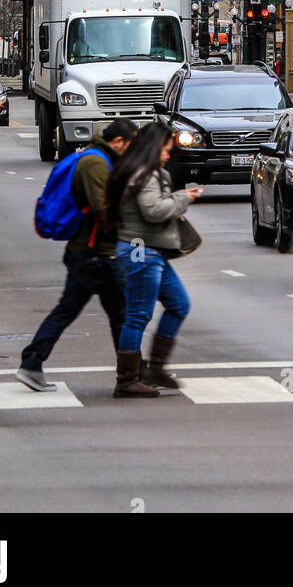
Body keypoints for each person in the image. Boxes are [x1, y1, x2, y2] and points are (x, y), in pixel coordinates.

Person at [16, 119, 138, 392]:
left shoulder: (98, 159)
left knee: (77, 310)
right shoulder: (95, 163)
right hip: (95, 254)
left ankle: (32, 363)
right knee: (121, 314)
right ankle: (131, 375)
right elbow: (101, 208)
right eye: (130, 146)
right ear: (118, 142)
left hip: (88, 253)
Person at [102, 120, 202, 399]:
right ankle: (127, 380)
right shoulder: (145, 174)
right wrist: (183, 200)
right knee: (137, 317)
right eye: (166, 150)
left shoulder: (140, 172)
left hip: (149, 251)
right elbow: (154, 211)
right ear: (154, 147)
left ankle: (155, 368)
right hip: (141, 253)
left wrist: (178, 196)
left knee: (178, 304)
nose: (169, 155)